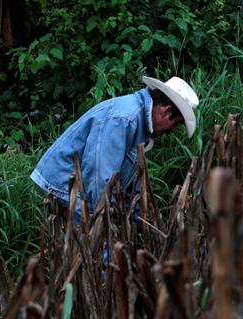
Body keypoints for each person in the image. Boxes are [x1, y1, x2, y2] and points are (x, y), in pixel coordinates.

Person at [30, 75, 199, 220]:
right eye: (175, 123)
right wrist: (102, 221)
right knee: (101, 254)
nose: (173, 129)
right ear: (165, 111)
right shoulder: (123, 119)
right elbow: (98, 177)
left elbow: (133, 183)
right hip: (67, 189)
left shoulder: (139, 125)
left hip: (82, 190)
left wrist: (145, 221)